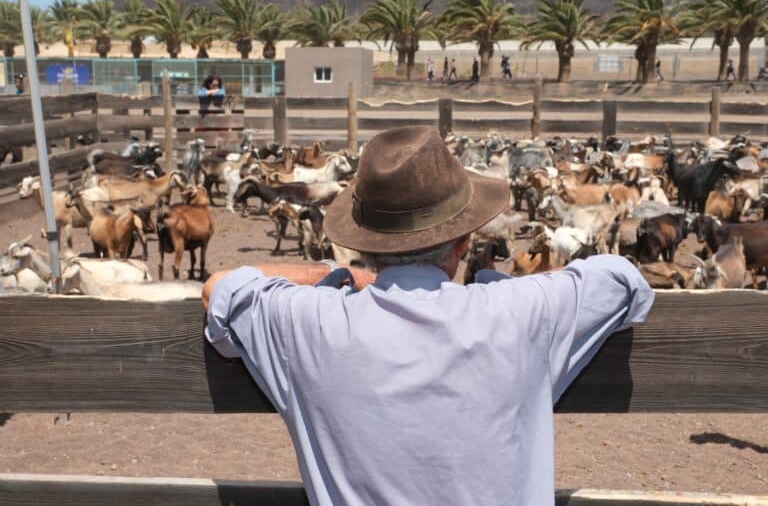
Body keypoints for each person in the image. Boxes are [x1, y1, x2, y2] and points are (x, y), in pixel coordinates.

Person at [203, 125, 655, 506]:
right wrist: (508, 287)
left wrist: (335, 273)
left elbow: (220, 288)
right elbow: (622, 280)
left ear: (365, 242)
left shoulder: (308, 323)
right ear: (463, 242)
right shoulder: (521, 312)